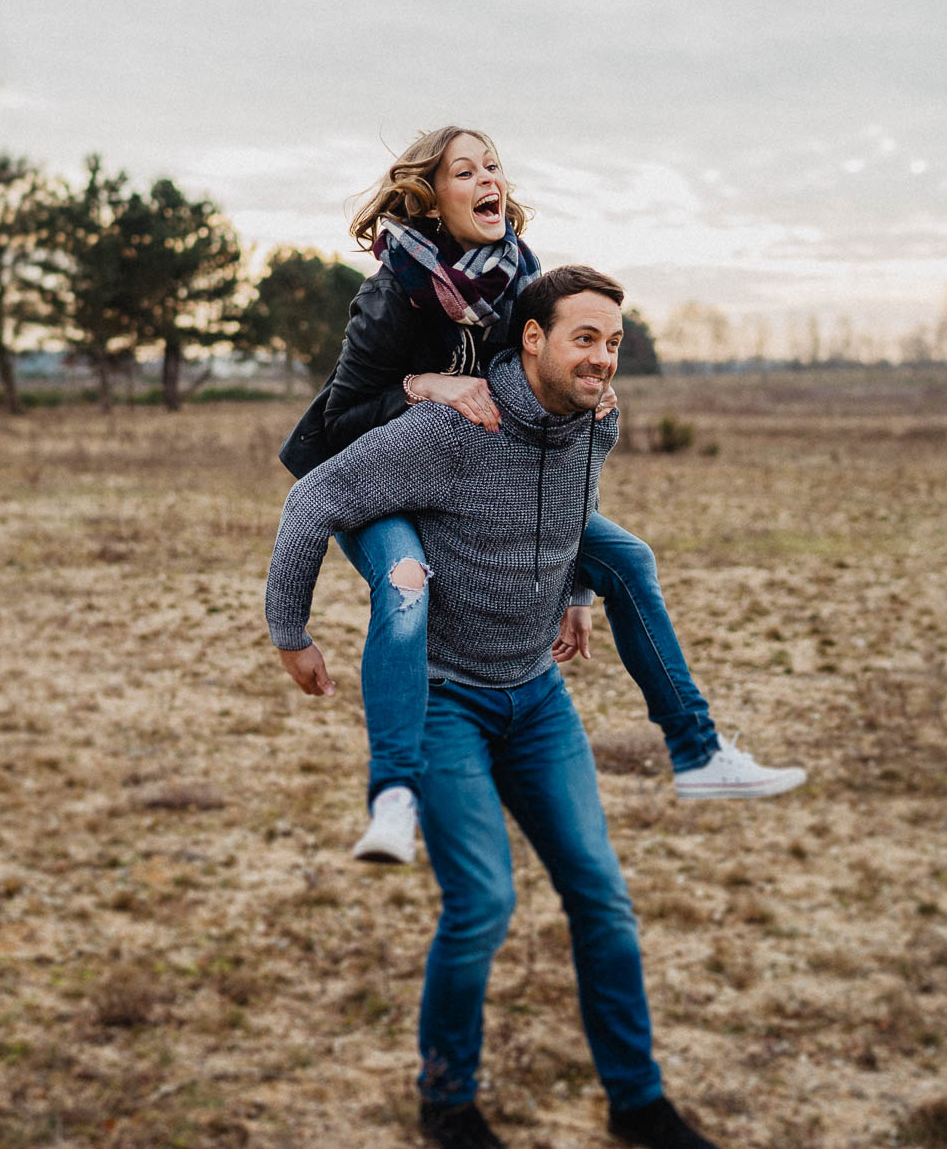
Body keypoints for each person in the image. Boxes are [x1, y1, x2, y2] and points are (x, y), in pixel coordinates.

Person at [267, 266, 721, 1149]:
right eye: (585, 338)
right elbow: (313, 495)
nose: (603, 359)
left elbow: (578, 507)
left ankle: (639, 1104)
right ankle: (446, 1103)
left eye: (615, 342)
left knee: (602, 897)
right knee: (483, 905)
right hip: (444, 702)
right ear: (534, 340)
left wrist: (581, 594)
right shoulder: (451, 431)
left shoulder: (599, 418)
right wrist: (291, 627)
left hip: (538, 698)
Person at [279, 126, 802, 865]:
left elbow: (552, 418)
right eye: (466, 170)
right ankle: (395, 798)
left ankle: (699, 753)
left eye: (493, 165)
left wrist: (577, 587)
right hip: (370, 474)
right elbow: (339, 419)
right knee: (406, 586)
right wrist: (424, 387)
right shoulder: (393, 290)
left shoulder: (516, 274)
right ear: (431, 196)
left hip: (469, 472)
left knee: (628, 559)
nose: (488, 178)